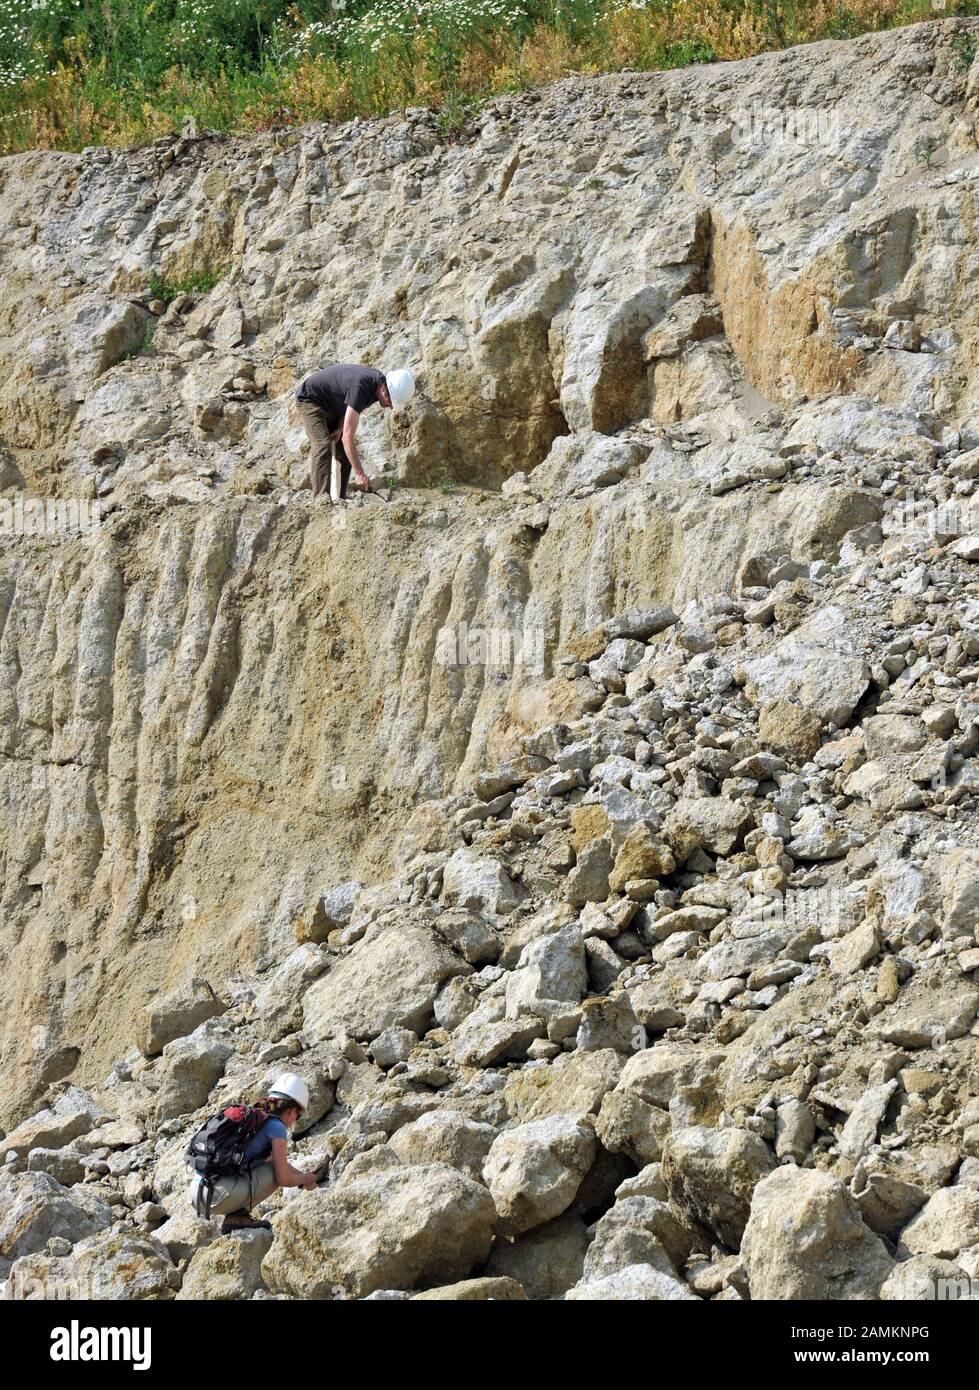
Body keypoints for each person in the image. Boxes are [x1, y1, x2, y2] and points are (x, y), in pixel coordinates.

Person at [188, 1072, 317, 1233]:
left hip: (196, 1192)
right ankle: (237, 1218)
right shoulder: (277, 1128)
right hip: (216, 1197)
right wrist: (305, 1178)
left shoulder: (254, 1118)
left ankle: (236, 1217)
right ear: (291, 1110)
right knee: (274, 1174)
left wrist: (305, 1178)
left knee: (272, 1167)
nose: (294, 1122)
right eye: (297, 1116)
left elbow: (275, 1161)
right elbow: (283, 1178)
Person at [296, 363, 415, 500]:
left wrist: (340, 427)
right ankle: (321, 501)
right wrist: (359, 473)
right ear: (384, 390)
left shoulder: (376, 384)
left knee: (345, 453)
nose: (390, 406)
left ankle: (339, 499)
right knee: (324, 445)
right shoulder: (362, 386)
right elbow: (348, 437)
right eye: (391, 402)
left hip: (331, 405)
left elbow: (347, 403)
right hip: (309, 399)